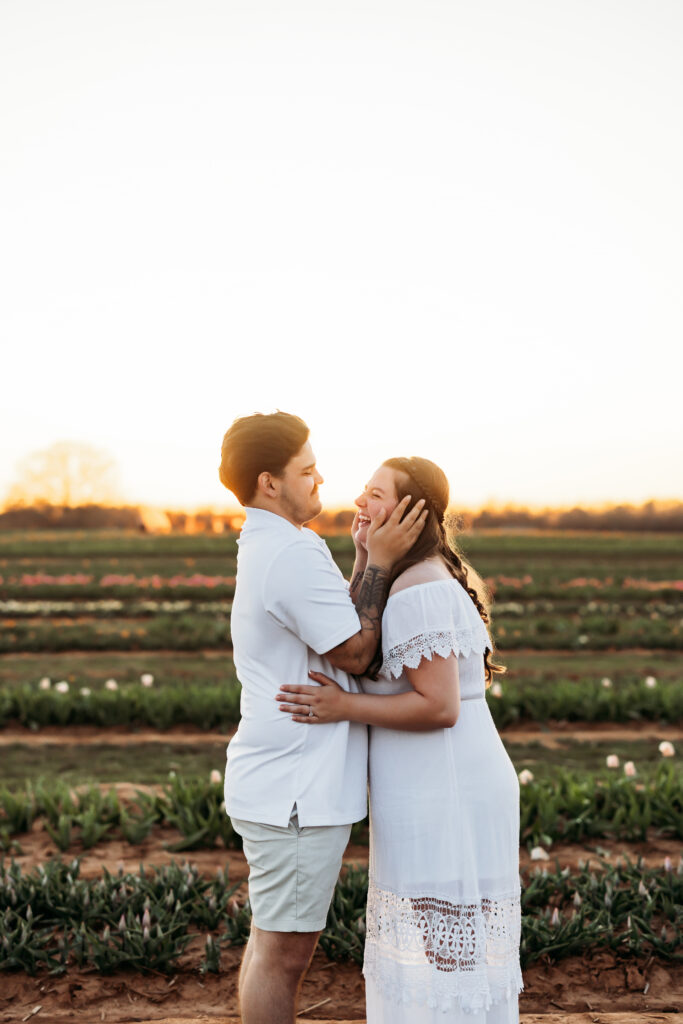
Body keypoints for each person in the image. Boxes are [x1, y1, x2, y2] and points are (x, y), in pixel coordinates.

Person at [277, 456, 523, 1023]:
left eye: (376, 495)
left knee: (447, 959)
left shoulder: (417, 587)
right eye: (363, 491)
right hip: (429, 786)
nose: (359, 502)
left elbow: (439, 706)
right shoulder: (403, 578)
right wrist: (366, 556)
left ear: (412, 513)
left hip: (448, 786)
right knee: (442, 950)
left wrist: (341, 706)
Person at [217, 413, 428, 1024]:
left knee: (271, 946)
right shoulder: (289, 553)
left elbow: (342, 622)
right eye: (306, 471)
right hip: (295, 790)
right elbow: (357, 652)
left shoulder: (284, 544)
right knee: (284, 957)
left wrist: (364, 555)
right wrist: (383, 562)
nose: (321, 481)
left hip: (286, 781)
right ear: (269, 483)